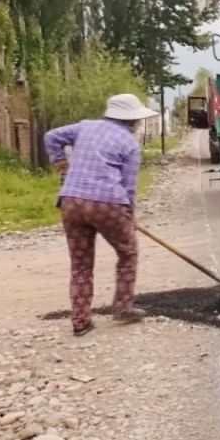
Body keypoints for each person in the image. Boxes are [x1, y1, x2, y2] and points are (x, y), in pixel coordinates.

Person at [44, 94, 157, 336]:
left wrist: (61, 164)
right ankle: (123, 308)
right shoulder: (129, 143)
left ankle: (81, 321)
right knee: (128, 253)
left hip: (71, 201)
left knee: (80, 265)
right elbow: (129, 186)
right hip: (108, 204)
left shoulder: (86, 127)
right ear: (132, 120)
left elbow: (51, 137)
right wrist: (129, 214)